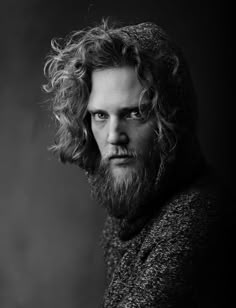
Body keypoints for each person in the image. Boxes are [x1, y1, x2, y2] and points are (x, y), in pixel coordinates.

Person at [43, 20, 232, 307]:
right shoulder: (129, 215)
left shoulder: (196, 220)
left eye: (134, 113)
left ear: (170, 118)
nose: (114, 136)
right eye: (100, 116)